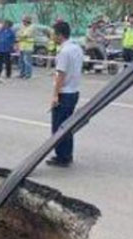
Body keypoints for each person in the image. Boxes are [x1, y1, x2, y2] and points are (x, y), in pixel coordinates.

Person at [47, 21, 83, 168]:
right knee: (67, 126)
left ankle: (62, 157)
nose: (52, 37)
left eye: (53, 34)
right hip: (74, 91)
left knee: (58, 127)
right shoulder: (76, 48)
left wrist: (55, 96)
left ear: (59, 35)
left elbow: (61, 74)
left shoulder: (64, 51)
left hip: (64, 93)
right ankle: (67, 155)